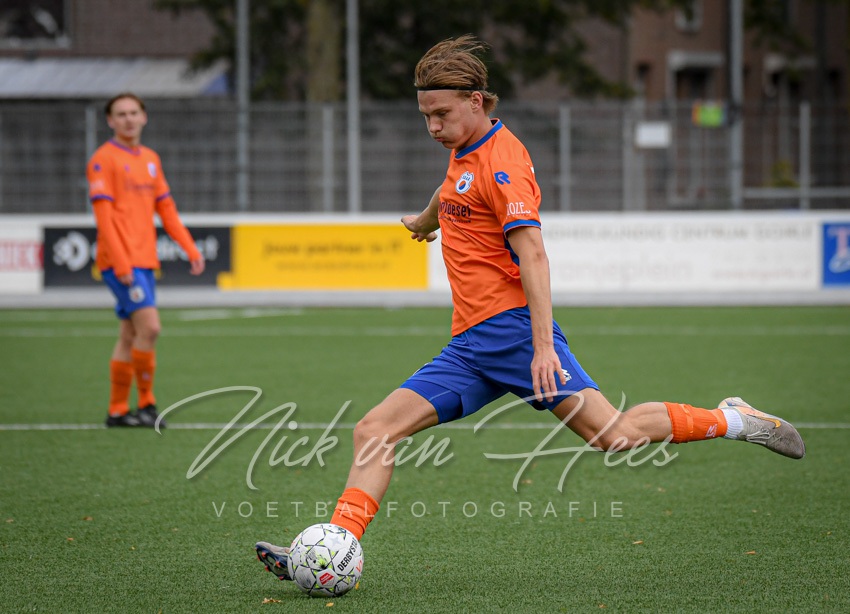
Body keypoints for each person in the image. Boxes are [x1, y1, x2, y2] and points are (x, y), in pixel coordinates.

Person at [255, 35, 805, 579]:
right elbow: (454, 187)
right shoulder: (465, 150)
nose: (433, 127)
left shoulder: (504, 164)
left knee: (613, 435)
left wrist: (542, 347)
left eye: (441, 114)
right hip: (471, 346)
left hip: (515, 337)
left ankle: (737, 420)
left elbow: (534, 255)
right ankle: (334, 550)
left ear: (476, 101)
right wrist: (426, 221)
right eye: (426, 116)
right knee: (375, 429)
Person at [87, 92, 205, 428]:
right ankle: (147, 405)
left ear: (144, 117)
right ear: (110, 121)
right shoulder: (102, 160)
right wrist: (122, 263)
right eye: (121, 114)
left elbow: (166, 210)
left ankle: (117, 411)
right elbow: (104, 219)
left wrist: (190, 248)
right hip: (120, 262)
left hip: (145, 259)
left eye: (133, 113)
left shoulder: (151, 159)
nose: (128, 119)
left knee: (130, 334)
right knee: (150, 328)